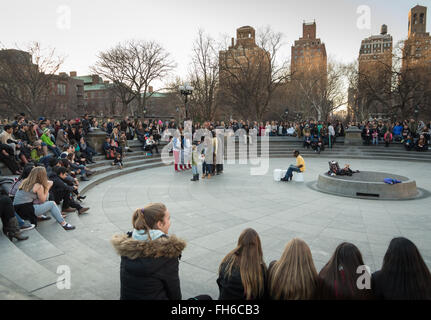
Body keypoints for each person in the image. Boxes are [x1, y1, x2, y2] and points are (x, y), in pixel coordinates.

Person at [111, 203, 186, 300]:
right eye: (168, 219)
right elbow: (174, 291)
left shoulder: (128, 245)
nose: (170, 222)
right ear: (160, 224)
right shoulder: (167, 253)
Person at [217, 228, 267, 300]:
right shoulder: (260, 270)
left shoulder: (227, 262)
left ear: (240, 242)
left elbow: (220, 286)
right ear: (257, 246)